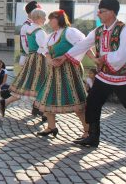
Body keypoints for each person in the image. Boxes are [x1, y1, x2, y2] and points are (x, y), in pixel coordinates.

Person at [60, 0, 126, 150]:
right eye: (99, 11)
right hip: (105, 76)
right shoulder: (99, 31)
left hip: (123, 78)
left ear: (112, 13)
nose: (98, 14)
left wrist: (104, 58)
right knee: (93, 102)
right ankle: (93, 136)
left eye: (102, 11)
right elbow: (83, 44)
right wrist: (64, 57)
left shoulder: (125, 30)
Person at [34, 10, 90, 139]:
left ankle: (87, 130)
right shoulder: (51, 35)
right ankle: (51, 127)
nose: (49, 22)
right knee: (47, 97)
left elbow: (84, 45)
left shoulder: (70, 32)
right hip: (54, 71)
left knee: (75, 99)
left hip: (69, 71)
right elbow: (45, 50)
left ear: (58, 19)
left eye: (51, 19)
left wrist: (95, 60)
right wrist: (49, 59)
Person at [0, 8, 48, 117]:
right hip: (39, 60)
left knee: (26, 84)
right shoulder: (40, 32)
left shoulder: (29, 30)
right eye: (44, 17)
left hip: (31, 58)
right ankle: (43, 112)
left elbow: (26, 46)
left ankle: (6, 102)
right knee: (42, 84)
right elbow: (44, 48)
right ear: (38, 18)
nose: (45, 19)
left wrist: (31, 55)